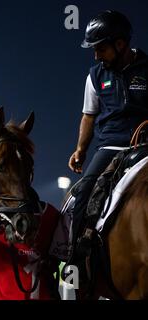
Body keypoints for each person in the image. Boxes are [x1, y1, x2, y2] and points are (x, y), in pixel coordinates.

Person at [68, 10, 148, 256]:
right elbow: (88, 116)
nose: (96, 55)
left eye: (100, 48)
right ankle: (75, 256)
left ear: (120, 44)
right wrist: (81, 149)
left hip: (146, 144)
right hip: (110, 147)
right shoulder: (94, 76)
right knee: (82, 192)